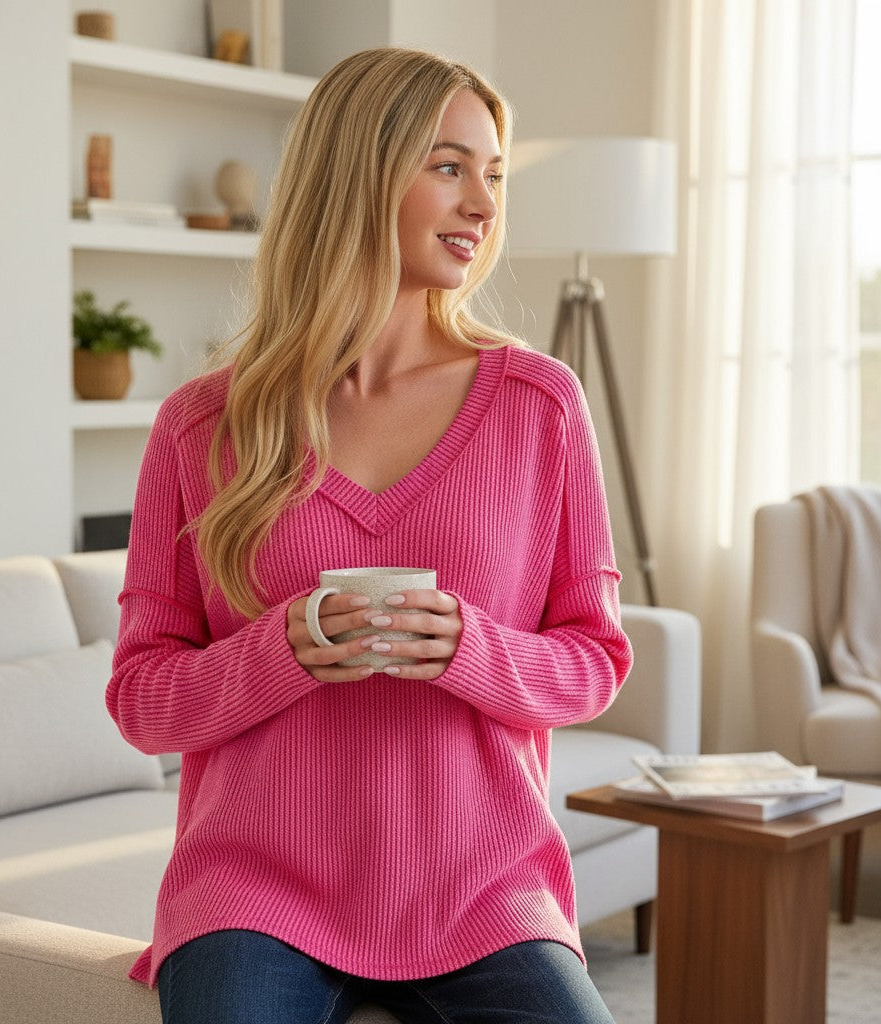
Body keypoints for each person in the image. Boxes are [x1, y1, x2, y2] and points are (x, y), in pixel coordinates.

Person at [107, 46, 632, 1024]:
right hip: (254, 895)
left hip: (486, 896)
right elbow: (142, 698)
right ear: (355, 174)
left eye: (493, 173)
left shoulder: (539, 405)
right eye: (447, 166)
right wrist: (282, 651)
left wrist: (469, 649)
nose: (482, 202)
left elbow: (595, 658)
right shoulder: (200, 425)